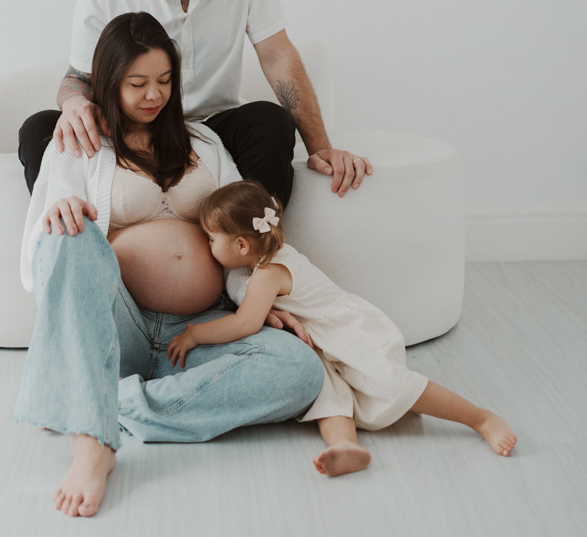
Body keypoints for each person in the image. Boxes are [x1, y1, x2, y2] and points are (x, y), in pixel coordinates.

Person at [14, 14, 324, 517]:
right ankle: (93, 443)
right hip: (121, 327)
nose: (152, 95)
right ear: (108, 83)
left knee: (300, 371)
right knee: (64, 234)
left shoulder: (205, 144)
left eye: (164, 81)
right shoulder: (78, 145)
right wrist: (59, 218)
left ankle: (106, 403)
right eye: (137, 84)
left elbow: (244, 240)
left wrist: (253, 304)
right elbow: (45, 265)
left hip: (200, 330)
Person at [18, 0, 372, 207]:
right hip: (132, 136)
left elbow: (277, 55)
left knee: (271, 122)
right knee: (40, 130)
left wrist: (321, 148)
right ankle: (88, 244)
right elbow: (77, 79)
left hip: (215, 132)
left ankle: (247, 242)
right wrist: (76, 103)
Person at [167, 180, 517, 477]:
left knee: (393, 384)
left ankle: (481, 418)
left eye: (211, 239)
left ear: (241, 245)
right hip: (320, 342)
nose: (208, 246)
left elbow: (245, 322)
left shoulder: (269, 273)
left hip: (346, 331)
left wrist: (196, 333)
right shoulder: (266, 260)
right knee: (328, 399)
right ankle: (347, 446)